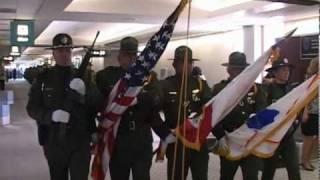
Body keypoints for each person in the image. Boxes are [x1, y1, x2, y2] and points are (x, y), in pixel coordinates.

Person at [95, 1, 189, 179]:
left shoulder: (148, 76)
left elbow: (157, 98)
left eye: (134, 55)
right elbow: (100, 103)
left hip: (141, 138)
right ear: (119, 56)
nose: (130, 59)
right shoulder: (106, 77)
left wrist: (137, 98)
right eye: (126, 55)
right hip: (118, 138)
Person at [26, 33, 100, 180]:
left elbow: (98, 104)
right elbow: (32, 108)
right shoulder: (43, 78)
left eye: (68, 50)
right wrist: (50, 115)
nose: (65, 54)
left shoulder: (85, 76)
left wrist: (86, 93)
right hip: (54, 140)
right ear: (53, 53)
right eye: (60, 51)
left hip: (80, 139)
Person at [158, 46, 212, 180]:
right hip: (177, 142)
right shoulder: (165, 85)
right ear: (174, 64)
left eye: (189, 62)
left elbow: (209, 108)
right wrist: (164, 133)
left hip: (197, 140)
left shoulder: (201, 84)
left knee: (201, 176)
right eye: (182, 62)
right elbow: (153, 112)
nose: (186, 66)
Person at [211, 52, 267, 180]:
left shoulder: (255, 89)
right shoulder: (219, 89)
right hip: (228, 139)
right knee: (226, 176)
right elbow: (212, 116)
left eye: (240, 69)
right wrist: (219, 136)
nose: (237, 72)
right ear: (228, 70)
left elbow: (261, 112)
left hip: (249, 141)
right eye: (234, 68)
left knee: (251, 176)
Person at [261, 57, 301, 180]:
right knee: (269, 169)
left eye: (287, 70)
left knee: (294, 168)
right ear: (275, 72)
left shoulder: (292, 89)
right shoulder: (267, 89)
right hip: (272, 135)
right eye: (283, 70)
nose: (286, 72)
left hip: (288, 135)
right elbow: (262, 110)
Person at [300, 57, 318, 171]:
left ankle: (308, 159)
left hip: (317, 111)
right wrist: (305, 112)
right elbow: (305, 97)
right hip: (310, 111)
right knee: (309, 138)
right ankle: (304, 161)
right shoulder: (310, 79)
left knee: (314, 138)